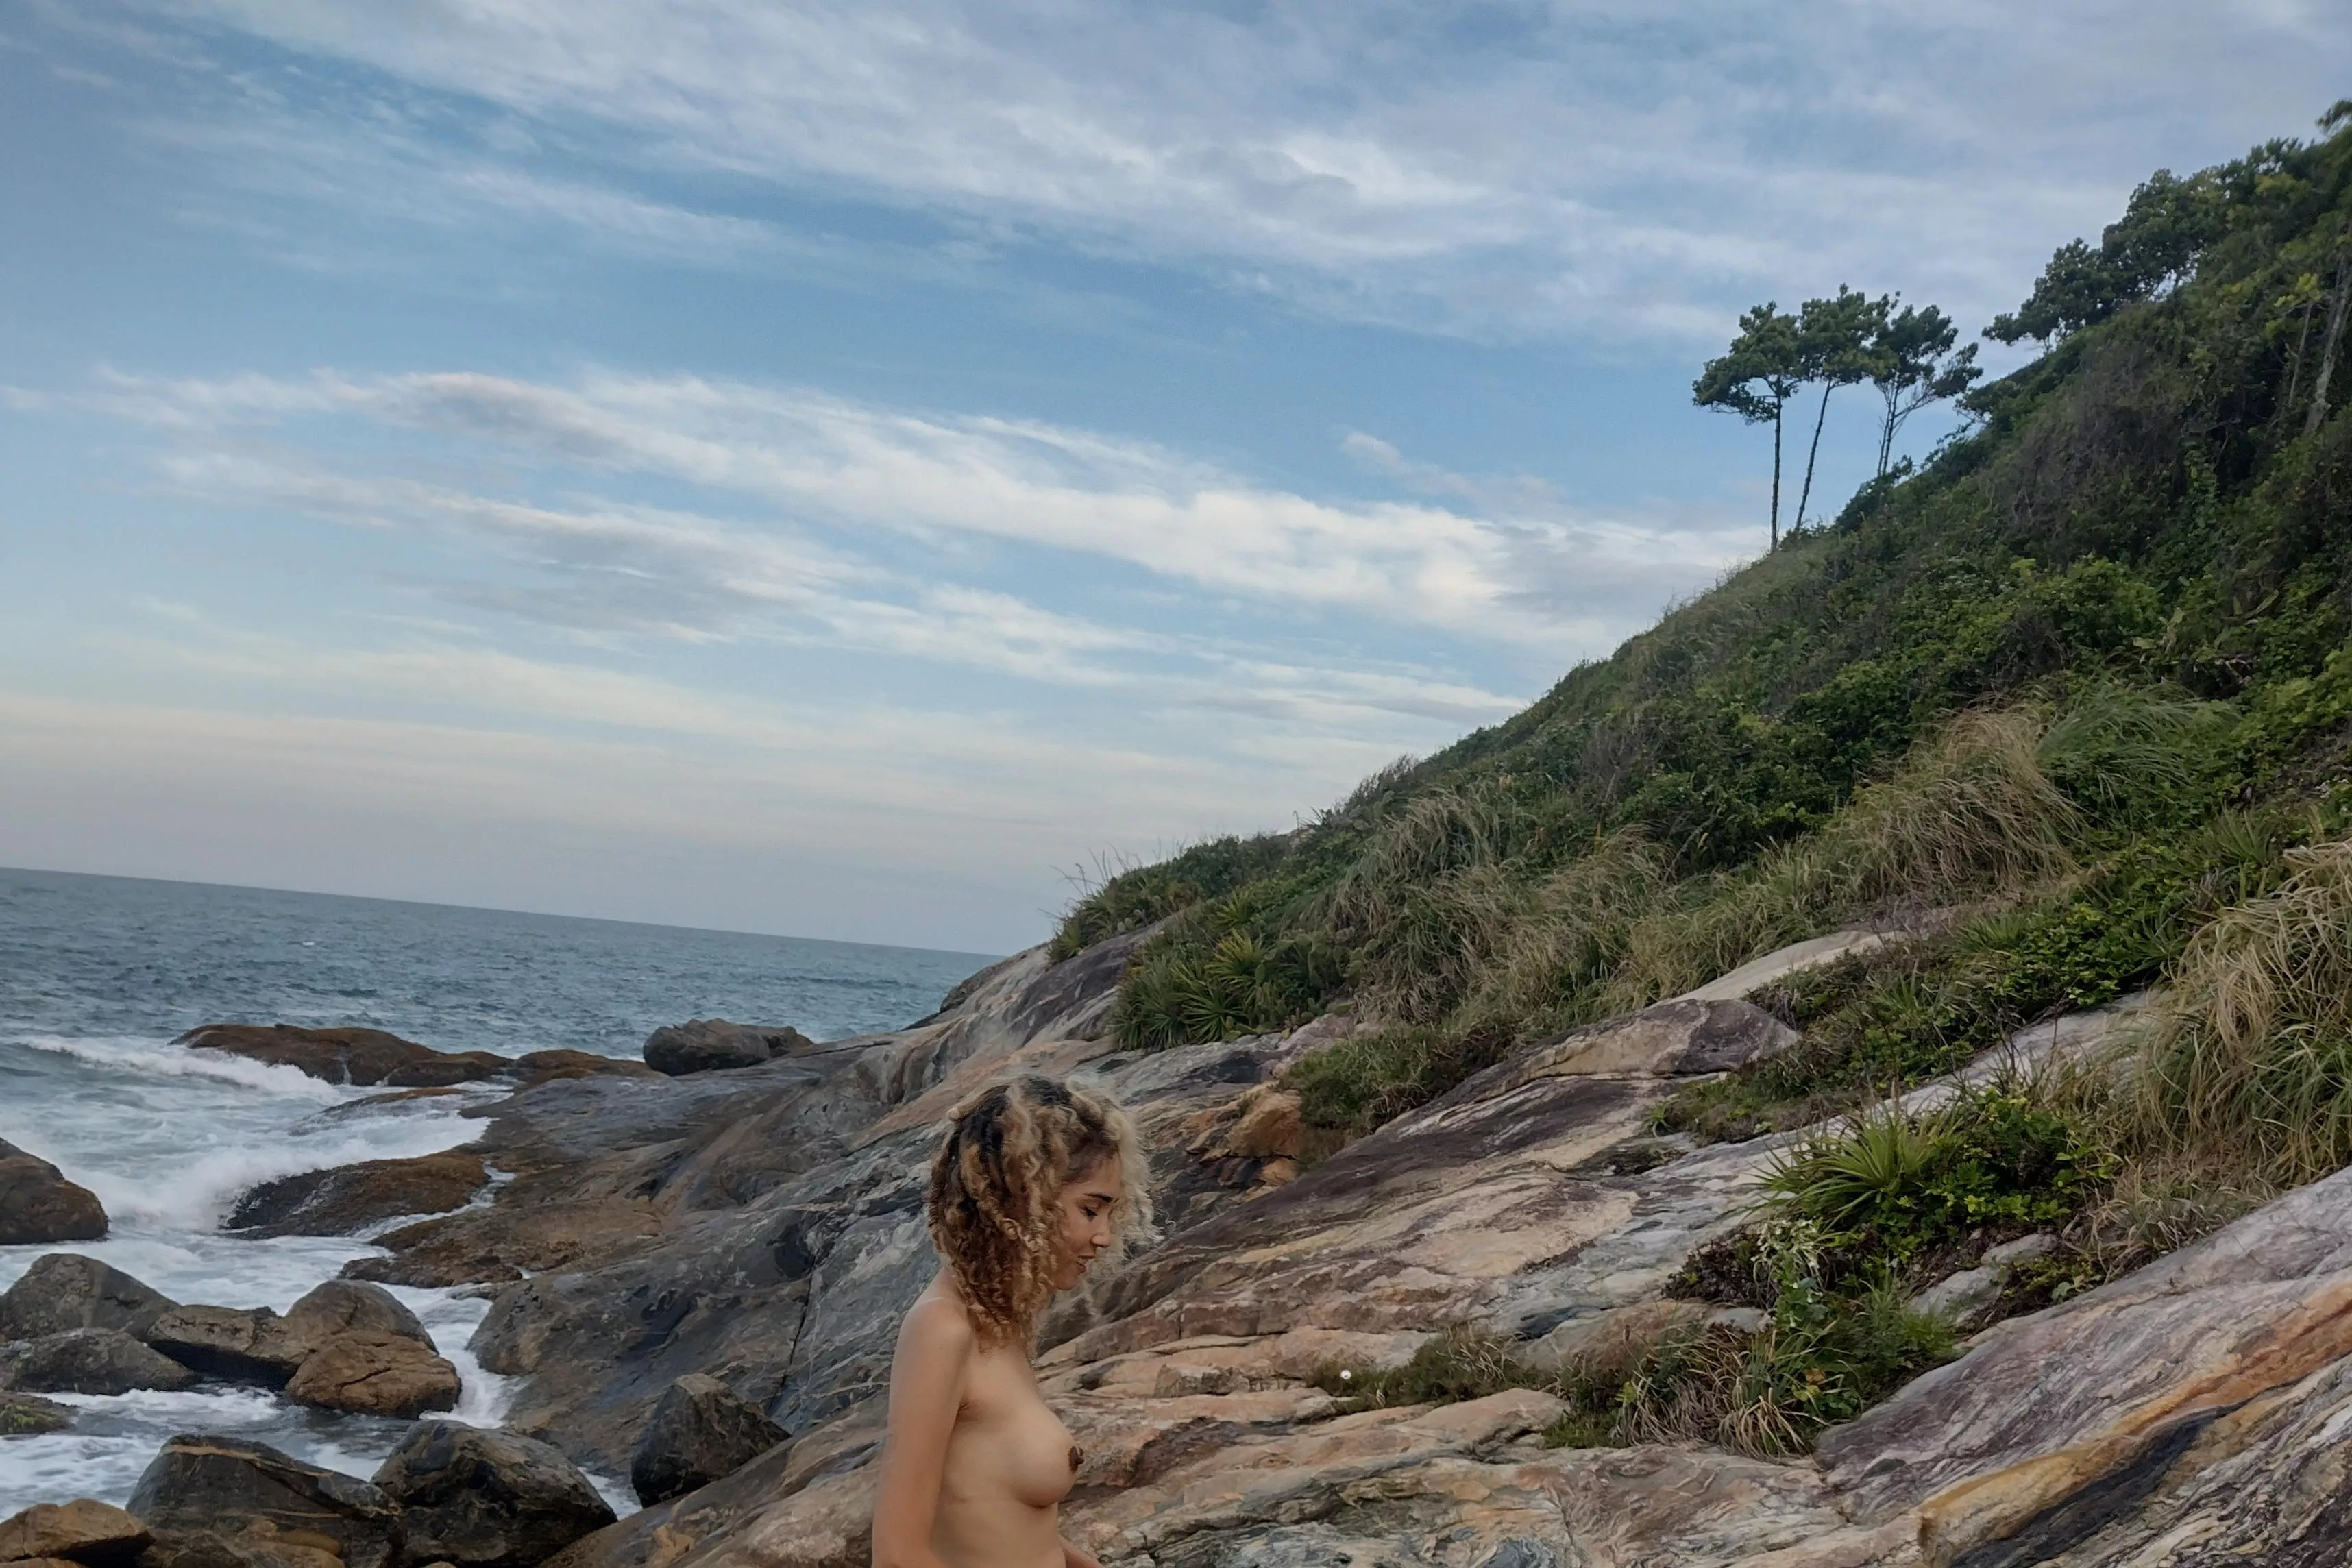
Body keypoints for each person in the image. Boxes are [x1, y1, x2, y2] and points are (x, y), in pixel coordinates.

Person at [871, 1075, 1155, 1568]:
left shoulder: (1000, 1324)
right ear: (1023, 1200)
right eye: (1090, 1210)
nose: (1105, 1236)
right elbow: (898, 1556)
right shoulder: (943, 1330)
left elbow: (998, 1521)